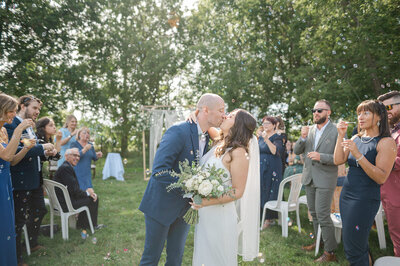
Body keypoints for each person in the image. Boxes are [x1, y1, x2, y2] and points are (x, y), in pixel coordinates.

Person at [139, 93, 225, 266]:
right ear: (206, 110)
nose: (223, 115)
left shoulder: (209, 136)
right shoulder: (178, 131)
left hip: (184, 209)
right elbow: (160, 171)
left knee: (176, 258)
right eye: (221, 110)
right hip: (161, 205)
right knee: (151, 258)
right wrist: (192, 185)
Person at [191, 109, 259, 265]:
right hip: (205, 214)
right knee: (204, 256)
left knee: (218, 259)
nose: (224, 116)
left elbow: (238, 191)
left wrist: (206, 202)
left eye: (230, 116)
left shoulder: (239, 152)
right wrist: (195, 114)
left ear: (238, 125)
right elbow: (205, 121)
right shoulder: (220, 142)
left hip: (220, 215)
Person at [334, 100, 396, 265]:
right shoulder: (356, 137)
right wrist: (340, 135)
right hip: (347, 196)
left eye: (366, 113)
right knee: (357, 242)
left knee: (353, 248)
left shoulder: (386, 142)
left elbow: (381, 177)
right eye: (359, 113)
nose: (360, 117)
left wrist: (358, 154)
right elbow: (338, 159)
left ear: (379, 117)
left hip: (364, 199)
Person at [4, 95, 55, 264]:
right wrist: (41, 147)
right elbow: (16, 149)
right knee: (18, 221)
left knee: (40, 210)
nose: (37, 112)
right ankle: (17, 258)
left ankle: (31, 243)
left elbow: (31, 149)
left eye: (38, 109)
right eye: (34, 108)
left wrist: (45, 153)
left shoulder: (30, 126)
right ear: (22, 106)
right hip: (20, 180)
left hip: (34, 179)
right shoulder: (11, 124)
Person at [294, 99, 338, 262]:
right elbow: (297, 150)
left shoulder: (336, 131)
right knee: (314, 214)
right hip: (309, 177)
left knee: (323, 215)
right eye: (314, 110)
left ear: (329, 112)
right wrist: (303, 138)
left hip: (325, 178)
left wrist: (322, 157)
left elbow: (341, 158)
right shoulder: (310, 130)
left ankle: (330, 252)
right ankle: (319, 242)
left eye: (320, 110)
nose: (316, 113)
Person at [0, 93, 35, 266]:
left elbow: (12, 160)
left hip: (6, 182)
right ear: (2, 110)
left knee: (8, 227)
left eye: (14, 111)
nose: (14, 115)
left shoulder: (4, 131)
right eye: (11, 111)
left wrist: (26, 149)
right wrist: (20, 130)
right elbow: (5, 155)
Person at [377, 91, 400, 257]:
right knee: (396, 236)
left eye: (390, 107)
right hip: (388, 193)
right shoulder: (391, 131)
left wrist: (378, 161)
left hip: (397, 195)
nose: (387, 112)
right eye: (383, 109)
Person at [53, 148, 100, 229]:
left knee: (88, 197)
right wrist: (88, 193)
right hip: (65, 204)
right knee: (93, 199)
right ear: (67, 156)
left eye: (78, 156)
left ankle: (82, 224)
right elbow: (74, 191)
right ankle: (88, 226)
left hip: (62, 201)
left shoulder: (65, 166)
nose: (77, 158)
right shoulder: (66, 168)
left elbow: (72, 189)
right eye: (74, 155)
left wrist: (86, 193)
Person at [259, 116, 284, 229]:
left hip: (272, 166)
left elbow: (275, 151)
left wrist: (266, 139)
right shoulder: (260, 136)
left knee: (270, 188)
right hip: (261, 165)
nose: (265, 125)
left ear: (274, 125)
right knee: (261, 188)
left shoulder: (277, 137)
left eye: (268, 123)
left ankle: (269, 218)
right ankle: (261, 215)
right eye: (264, 123)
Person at [70, 127, 102, 191]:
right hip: (77, 172)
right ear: (79, 135)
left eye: (88, 133)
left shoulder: (90, 145)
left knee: (88, 192)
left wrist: (98, 155)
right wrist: (85, 149)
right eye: (84, 133)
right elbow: (74, 157)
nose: (87, 134)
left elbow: (94, 158)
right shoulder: (74, 144)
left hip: (87, 174)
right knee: (78, 192)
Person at [36, 117, 62, 182]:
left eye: (54, 125)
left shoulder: (47, 141)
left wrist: (58, 140)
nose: (54, 127)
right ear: (43, 128)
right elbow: (55, 156)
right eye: (51, 125)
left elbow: (56, 156)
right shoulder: (39, 141)